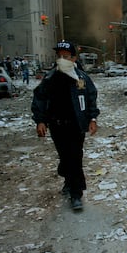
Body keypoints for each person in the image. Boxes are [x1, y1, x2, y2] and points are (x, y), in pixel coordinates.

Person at [31, 40, 100, 210]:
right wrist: (40, 120)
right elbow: (39, 98)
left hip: (76, 125)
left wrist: (92, 119)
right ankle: (68, 178)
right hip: (57, 126)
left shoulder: (82, 78)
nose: (62, 59)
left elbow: (91, 98)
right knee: (65, 158)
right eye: (59, 56)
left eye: (66, 57)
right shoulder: (50, 78)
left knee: (75, 157)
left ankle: (76, 194)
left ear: (73, 58)